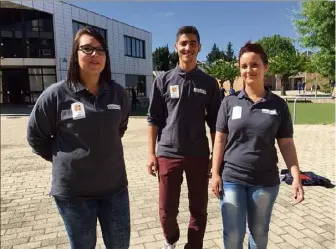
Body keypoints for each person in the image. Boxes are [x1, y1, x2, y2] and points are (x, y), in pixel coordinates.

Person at [27, 27, 131, 249]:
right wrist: (67, 157)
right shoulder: (55, 95)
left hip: (115, 190)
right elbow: (36, 136)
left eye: (100, 50)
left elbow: (119, 128)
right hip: (74, 194)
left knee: (120, 245)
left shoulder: (118, 94)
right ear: (75, 53)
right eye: (87, 49)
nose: (95, 55)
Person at [211, 41, 305, 249]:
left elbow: (287, 144)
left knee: (259, 234)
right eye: (244, 66)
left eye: (254, 64)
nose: (249, 70)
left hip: (265, 181)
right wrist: (215, 173)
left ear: (265, 67)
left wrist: (296, 176)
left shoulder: (278, 105)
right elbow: (219, 139)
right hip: (232, 179)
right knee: (234, 234)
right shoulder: (229, 102)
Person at [147, 26, 221, 249]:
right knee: (167, 210)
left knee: (199, 209)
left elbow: (216, 126)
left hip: (198, 155)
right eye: (183, 43)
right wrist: (151, 153)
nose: (188, 47)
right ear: (176, 47)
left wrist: (215, 160)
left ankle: (194, 246)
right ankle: (171, 240)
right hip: (168, 154)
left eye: (192, 43)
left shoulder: (209, 83)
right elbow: (153, 119)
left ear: (199, 47)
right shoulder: (163, 81)